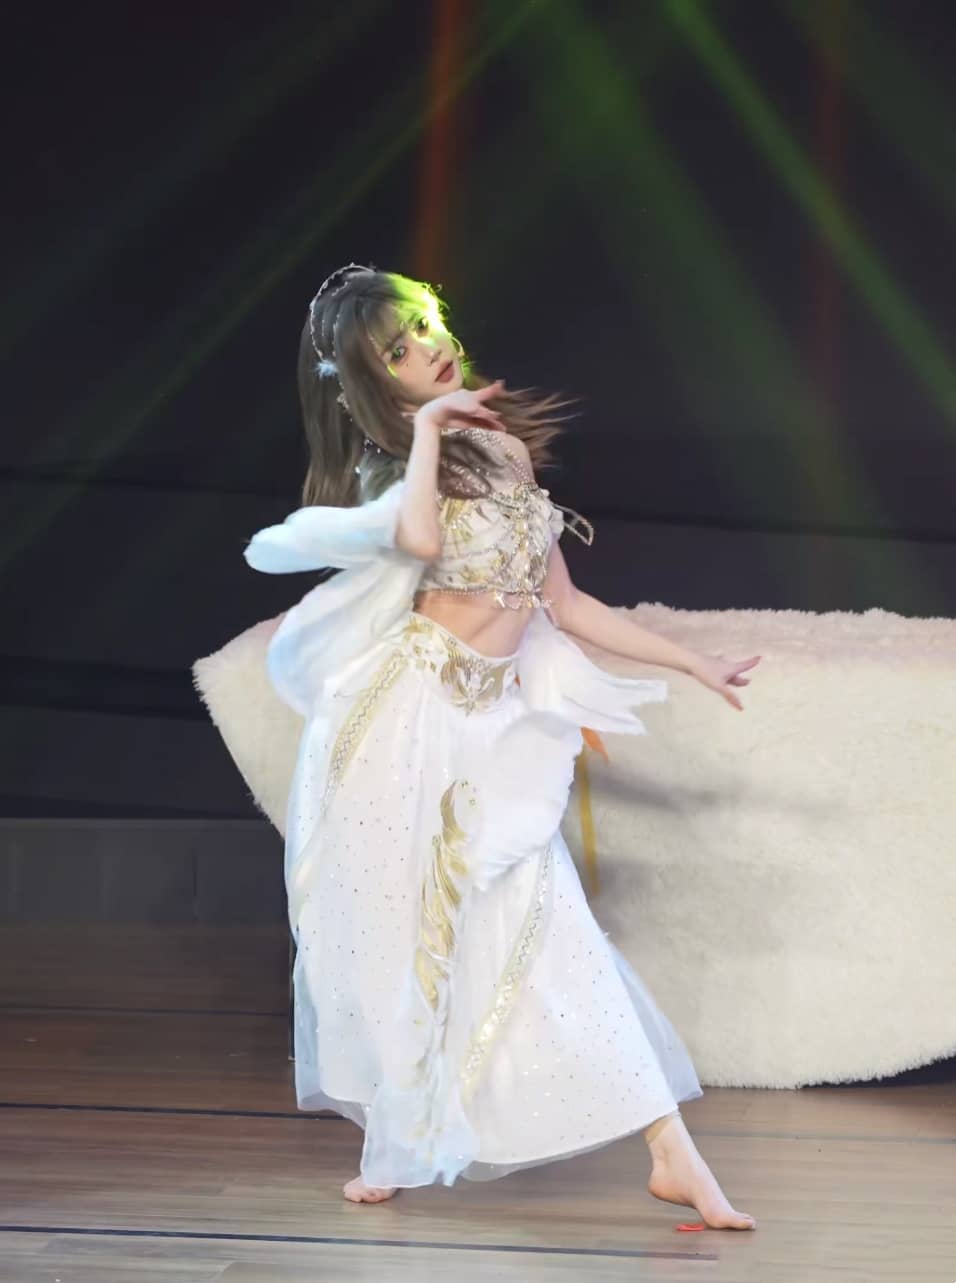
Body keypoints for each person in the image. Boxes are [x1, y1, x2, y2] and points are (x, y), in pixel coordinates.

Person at [234, 262, 759, 1228]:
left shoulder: (506, 451)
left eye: (427, 324)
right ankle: (395, 1137)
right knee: (398, 935)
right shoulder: (394, 467)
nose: (429, 348)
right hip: (402, 727)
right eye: (399, 349)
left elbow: (566, 604)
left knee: (553, 927)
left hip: (490, 726)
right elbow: (419, 542)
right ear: (373, 379)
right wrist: (431, 432)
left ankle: (672, 1151)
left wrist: (695, 663)